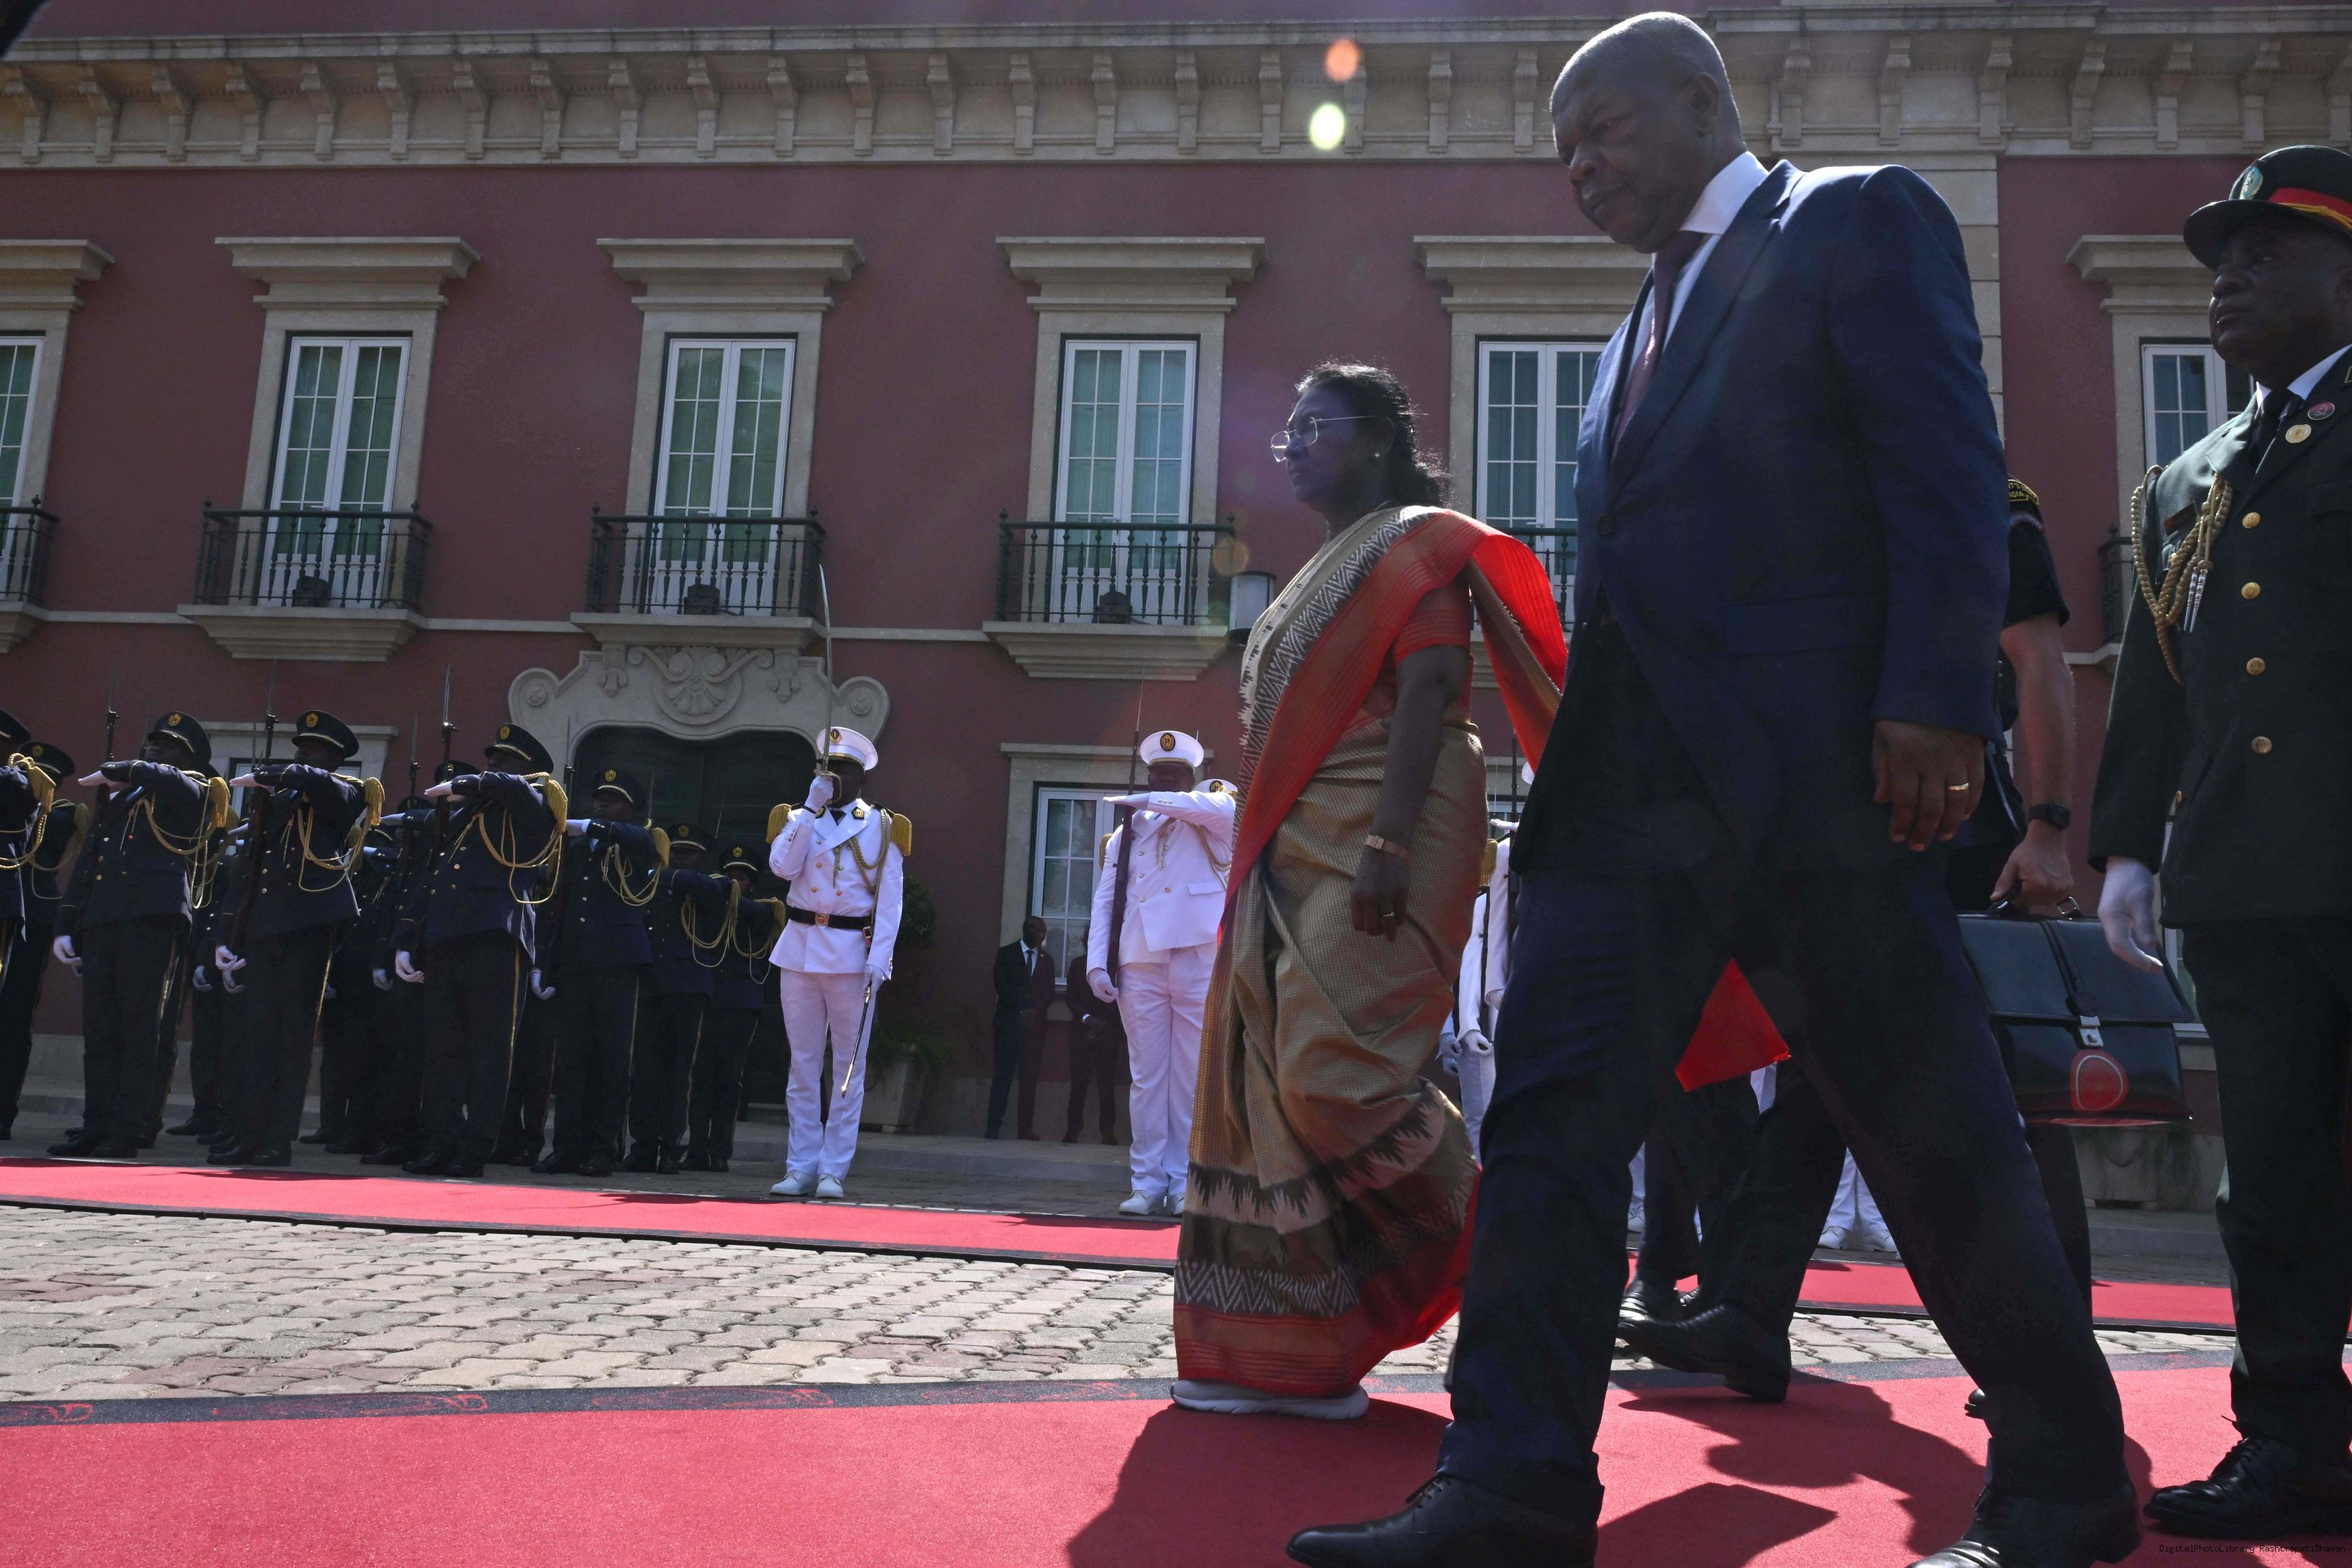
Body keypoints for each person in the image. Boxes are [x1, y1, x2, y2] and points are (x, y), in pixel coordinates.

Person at [1290, 18, 2134, 1567]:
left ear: (1699, 103)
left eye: (1601, 135)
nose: (1579, 171)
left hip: (1825, 790)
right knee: (1550, 1124)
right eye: (1562, 152)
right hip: (1628, 803)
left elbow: (1946, 467)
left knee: (1933, 1136)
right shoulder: (1629, 332)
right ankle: (1512, 1484)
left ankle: (2068, 1480)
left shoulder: (1856, 220)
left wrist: (1935, 701)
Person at [1627, 475, 2087, 1396]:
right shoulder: (1839, 508)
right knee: (1822, 1074)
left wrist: (2048, 827)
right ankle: (1750, 1310)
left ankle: (2058, 1340)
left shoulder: (1987, 502)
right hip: (1854, 833)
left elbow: (2040, 666)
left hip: (1966, 834)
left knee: (2009, 1086)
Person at [1175, 362, 1564, 1423]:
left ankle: (1515, 1247)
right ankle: (1296, 1347)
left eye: (1317, 426)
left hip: (1390, 830)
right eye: (1287, 431)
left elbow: (1432, 688)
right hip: (1296, 835)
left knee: (1332, 1076)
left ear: (1381, 438)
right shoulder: (1318, 565)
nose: (1294, 445)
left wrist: (1390, 837)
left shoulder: (1413, 547)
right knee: (1272, 1074)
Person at [2092, 144, 2352, 1543]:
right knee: (2273, 1181)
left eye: (2266, 253)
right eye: (2219, 261)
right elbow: (2156, 680)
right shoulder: (2190, 474)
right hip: (2247, 881)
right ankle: (2296, 1442)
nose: (2229, 280)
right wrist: (2129, 848)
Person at [50, 712, 222, 1162]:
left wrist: (132, 768)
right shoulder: (123, 796)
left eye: (169, 746)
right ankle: (97, 1123)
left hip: (152, 919)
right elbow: (92, 858)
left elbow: (178, 786)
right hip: (104, 918)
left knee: (140, 1028)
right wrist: (67, 922)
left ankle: (130, 1126)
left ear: (188, 759)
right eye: (152, 743)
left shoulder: (194, 789)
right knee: (101, 1029)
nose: (154, 749)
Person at [208, 711, 373, 1167]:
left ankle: (278, 1139)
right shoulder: (276, 799)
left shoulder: (347, 790)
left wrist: (278, 775)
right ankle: (249, 1133)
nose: (303, 755)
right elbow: (249, 867)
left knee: (293, 1037)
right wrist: (227, 933)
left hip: (309, 924)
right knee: (258, 1034)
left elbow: (324, 788)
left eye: (314, 750)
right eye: (300, 747)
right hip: (265, 924)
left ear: (335, 759)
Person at [394, 726, 560, 1178]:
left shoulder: (535, 802)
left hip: (496, 937)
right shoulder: (467, 817)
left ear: (530, 769)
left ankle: (475, 1147)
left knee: (491, 1050)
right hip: (447, 937)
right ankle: (440, 1141)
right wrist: (407, 938)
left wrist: (473, 782)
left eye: (507, 759)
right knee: (444, 1049)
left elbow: (516, 792)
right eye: (493, 758)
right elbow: (434, 877)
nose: (495, 764)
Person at [1085, 733, 1234, 1216]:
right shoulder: (1128, 830)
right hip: (1140, 958)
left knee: (1190, 1077)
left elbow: (1221, 810)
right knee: (1147, 1079)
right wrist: (1097, 961)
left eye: (1175, 774)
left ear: (1192, 777)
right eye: (1158, 774)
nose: (1165, 782)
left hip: (1196, 955)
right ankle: (1147, 1182)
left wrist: (1147, 800)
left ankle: (1185, 1181)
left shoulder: (1213, 811)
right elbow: (1108, 898)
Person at [765, 726, 908, 1201]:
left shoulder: (881, 825)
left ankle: (833, 1169)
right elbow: (783, 868)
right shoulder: (799, 817)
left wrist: (880, 959)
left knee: (847, 1068)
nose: (833, 777)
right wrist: (809, 810)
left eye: (843, 769)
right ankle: (801, 1165)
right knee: (803, 1065)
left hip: (851, 953)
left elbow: (890, 901)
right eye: (827, 768)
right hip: (801, 947)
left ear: (862, 777)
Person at [532, 768, 659, 1179]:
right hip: (576, 964)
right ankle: (566, 1148)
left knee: (612, 1061)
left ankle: (604, 1149)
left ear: (632, 810)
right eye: (601, 798)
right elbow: (560, 906)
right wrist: (545, 963)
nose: (604, 804)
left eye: (614, 800)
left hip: (617, 965)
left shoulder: (637, 840)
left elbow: (643, 844)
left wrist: (593, 826)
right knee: (572, 1063)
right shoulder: (578, 847)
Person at [626, 823, 732, 1174]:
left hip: (689, 989)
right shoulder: (656, 885)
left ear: (702, 858)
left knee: (679, 1073)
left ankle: (671, 1147)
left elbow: (715, 889)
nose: (681, 858)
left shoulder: (713, 885)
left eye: (689, 853)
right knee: (645, 1071)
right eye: (676, 852)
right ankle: (643, 1146)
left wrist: (665, 875)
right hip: (653, 986)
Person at [0, 739, 84, 1141]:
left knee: (14, 1018)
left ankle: (3, 1111)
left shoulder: (63, 814)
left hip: (31, 923)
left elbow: (44, 832)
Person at [687, 842, 782, 1172]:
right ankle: (696, 1149)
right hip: (709, 1001)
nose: (734, 882)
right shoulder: (711, 907)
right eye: (730, 876)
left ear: (752, 884)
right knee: (701, 1078)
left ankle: (719, 1152)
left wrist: (726, 895)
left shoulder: (763, 910)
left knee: (729, 1080)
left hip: (741, 1006)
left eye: (741, 878)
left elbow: (760, 916)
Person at [987, 916, 1055, 1141]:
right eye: (1039, 931)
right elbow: (1001, 985)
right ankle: (993, 1126)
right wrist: (1020, 1010)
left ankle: (1025, 1128)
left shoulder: (1047, 960)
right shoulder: (1006, 954)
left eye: (1044, 932)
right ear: (1028, 930)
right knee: (1003, 1076)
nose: (1042, 936)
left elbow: (1049, 992)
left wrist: (1035, 1011)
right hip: (1009, 1025)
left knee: (1029, 1079)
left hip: (1034, 1028)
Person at [1062, 949, 1121, 1145]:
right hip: (1081, 1032)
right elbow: (1071, 997)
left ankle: (1107, 1131)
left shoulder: (1113, 966)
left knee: (1106, 1085)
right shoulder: (1078, 965)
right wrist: (1087, 1020)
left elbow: (1119, 997)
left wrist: (1100, 1025)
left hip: (1107, 1033)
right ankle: (1073, 1130)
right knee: (1078, 1084)